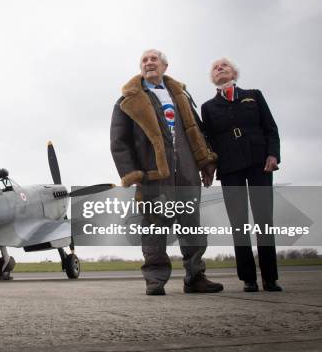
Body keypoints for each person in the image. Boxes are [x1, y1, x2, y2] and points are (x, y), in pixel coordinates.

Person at [110, 49, 223, 295]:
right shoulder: (126, 102)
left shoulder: (181, 95)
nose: (149, 63)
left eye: (154, 59)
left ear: (164, 66)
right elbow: (119, 143)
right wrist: (132, 173)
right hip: (152, 175)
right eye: (144, 60)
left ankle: (195, 277)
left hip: (186, 172)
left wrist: (205, 162)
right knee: (154, 227)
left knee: (191, 226)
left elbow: (196, 131)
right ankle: (155, 279)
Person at [201, 58, 282, 292]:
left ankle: (270, 277)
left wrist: (273, 154)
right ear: (212, 78)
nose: (219, 68)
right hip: (229, 166)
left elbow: (271, 128)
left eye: (223, 65)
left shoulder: (254, 96)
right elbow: (208, 141)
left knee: (264, 220)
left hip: (260, 163)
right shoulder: (208, 107)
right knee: (239, 223)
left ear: (233, 72)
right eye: (215, 67)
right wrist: (208, 167)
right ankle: (248, 278)